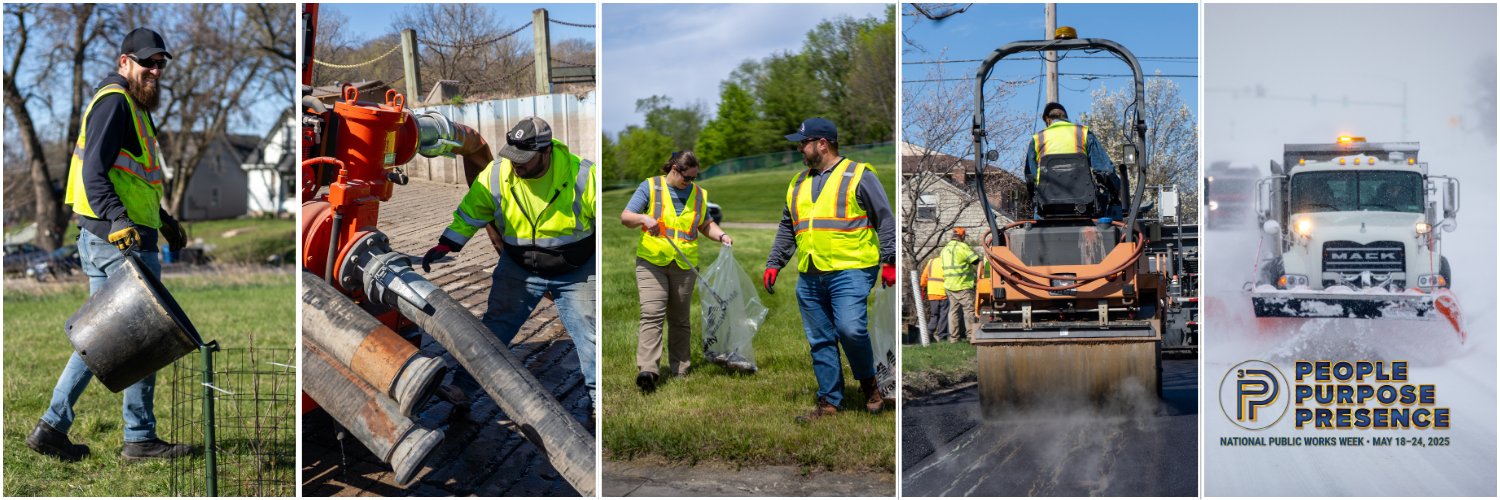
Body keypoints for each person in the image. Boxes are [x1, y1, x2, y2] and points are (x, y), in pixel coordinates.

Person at [28, 28, 192, 462]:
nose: (155, 70)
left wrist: (166, 222)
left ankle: (52, 426)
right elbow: (94, 175)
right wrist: (121, 222)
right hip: (121, 242)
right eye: (146, 63)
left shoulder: (133, 108)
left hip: (115, 237)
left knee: (101, 338)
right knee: (143, 338)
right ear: (124, 63)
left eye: (160, 64)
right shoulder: (116, 103)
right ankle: (139, 437)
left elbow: (134, 180)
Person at [421, 116, 598, 412]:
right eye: (513, 157)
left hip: (574, 272)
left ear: (546, 152)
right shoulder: (497, 173)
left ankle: (598, 403)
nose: (517, 165)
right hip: (520, 268)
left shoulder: (582, 175)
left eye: (525, 160)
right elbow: (471, 211)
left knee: (588, 334)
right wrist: (448, 243)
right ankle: (462, 388)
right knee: (493, 329)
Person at [763, 117, 896, 422]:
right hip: (810, 272)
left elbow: (885, 219)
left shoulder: (859, 175)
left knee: (851, 329)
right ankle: (829, 401)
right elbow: (788, 226)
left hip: (851, 269)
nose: (799, 148)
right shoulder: (797, 182)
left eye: (803, 142)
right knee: (820, 338)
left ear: (821, 143)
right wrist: (775, 262)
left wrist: (889, 260)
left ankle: (869, 385)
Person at [619, 151, 731, 392]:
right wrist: (643, 219)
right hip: (652, 262)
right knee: (652, 313)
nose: (690, 182)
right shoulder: (650, 187)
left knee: (680, 319)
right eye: (687, 177)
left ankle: (681, 369)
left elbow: (705, 224)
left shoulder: (699, 194)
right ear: (674, 169)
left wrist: (720, 235)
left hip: (685, 266)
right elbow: (626, 217)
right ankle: (648, 370)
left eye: (693, 177)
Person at [1023, 102, 1120, 218]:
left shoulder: (1037, 139)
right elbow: (1105, 170)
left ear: (1047, 120)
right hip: (1085, 207)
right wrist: (1116, 190)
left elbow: (1030, 177)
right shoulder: (1083, 134)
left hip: (1046, 208)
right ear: (1065, 117)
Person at [940, 227, 980, 343]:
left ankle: (953, 338)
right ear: (962, 236)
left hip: (949, 285)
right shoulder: (962, 247)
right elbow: (975, 260)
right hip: (963, 285)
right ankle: (971, 336)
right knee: (969, 311)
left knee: (953, 312)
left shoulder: (945, 249)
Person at [919, 256, 949, 342]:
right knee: (943, 315)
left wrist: (923, 286)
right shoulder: (947, 262)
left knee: (934, 315)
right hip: (944, 293)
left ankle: (929, 333)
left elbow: (924, 276)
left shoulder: (931, 261)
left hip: (932, 293)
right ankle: (942, 336)